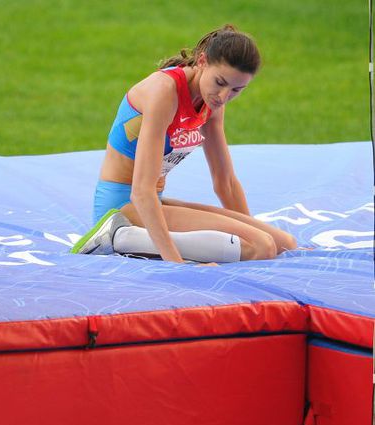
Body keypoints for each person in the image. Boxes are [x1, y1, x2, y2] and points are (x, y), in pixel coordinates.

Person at [71, 24, 297, 264]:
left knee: (282, 243)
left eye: (236, 90)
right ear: (202, 61)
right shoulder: (164, 91)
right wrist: (176, 264)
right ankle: (117, 238)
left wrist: (251, 231)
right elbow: (141, 191)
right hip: (122, 207)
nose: (223, 96)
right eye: (220, 82)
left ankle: (137, 238)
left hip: (152, 202)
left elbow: (226, 183)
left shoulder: (212, 103)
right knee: (261, 246)